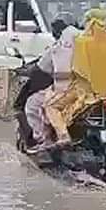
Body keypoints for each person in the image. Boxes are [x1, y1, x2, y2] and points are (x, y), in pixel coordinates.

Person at [43, 8, 106, 146]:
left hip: (86, 93)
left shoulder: (82, 42)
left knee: (51, 107)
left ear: (90, 21)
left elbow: (79, 69)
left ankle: (63, 136)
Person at [24, 13, 80, 148]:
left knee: (36, 104)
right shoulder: (88, 43)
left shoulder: (59, 47)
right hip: (95, 91)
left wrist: (26, 71)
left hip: (67, 89)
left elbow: (42, 67)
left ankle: (47, 139)